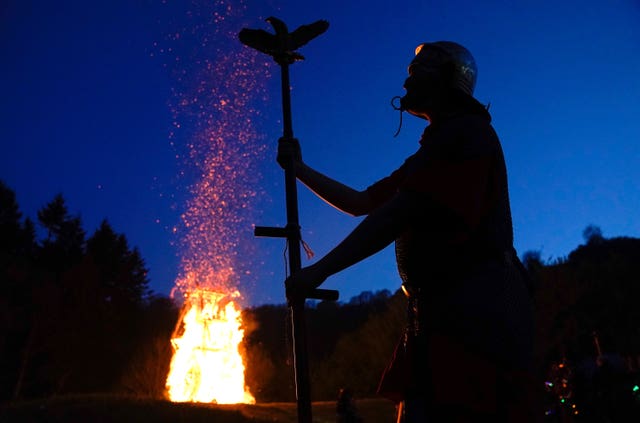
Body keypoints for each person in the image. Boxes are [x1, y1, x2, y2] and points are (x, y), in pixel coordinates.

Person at [280, 41, 537, 422]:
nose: (407, 80)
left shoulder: (466, 136)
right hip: (439, 316)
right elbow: (363, 203)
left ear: (448, 80)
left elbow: (397, 214)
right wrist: (298, 169)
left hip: (472, 320)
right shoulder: (432, 150)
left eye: (418, 73)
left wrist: (319, 271)